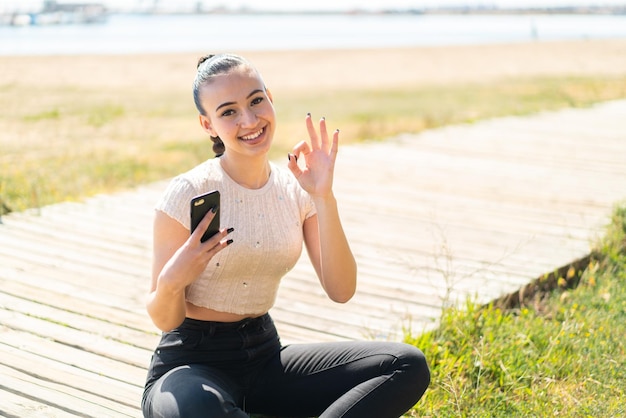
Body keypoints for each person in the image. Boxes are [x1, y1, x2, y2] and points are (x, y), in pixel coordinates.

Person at [141, 53, 430, 418]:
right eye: (228, 111)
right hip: (191, 363)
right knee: (198, 408)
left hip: (264, 358)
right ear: (207, 124)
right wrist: (172, 281)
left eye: (256, 100)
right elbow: (164, 319)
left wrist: (323, 196)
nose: (249, 120)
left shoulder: (295, 190)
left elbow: (341, 290)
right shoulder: (187, 192)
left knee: (405, 365)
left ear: (270, 98)